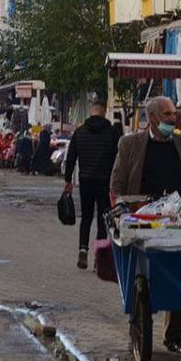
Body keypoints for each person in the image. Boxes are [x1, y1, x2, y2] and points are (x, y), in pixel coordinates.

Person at [109, 96, 181, 355]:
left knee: (178, 273)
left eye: (174, 113)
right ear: (153, 118)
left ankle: (175, 336)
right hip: (142, 220)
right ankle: (137, 330)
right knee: (141, 277)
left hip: (178, 221)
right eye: (168, 114)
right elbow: (117, 184)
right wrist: (121, 211)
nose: (174, 118)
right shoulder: (130, 144)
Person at [64, 102, 121, 269]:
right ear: (104, 113)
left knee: (86, 217)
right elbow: (119, 158)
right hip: (105, 180)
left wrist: (68, 180)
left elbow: (71, 157)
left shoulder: (80, 132)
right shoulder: (112, 133)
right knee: (104, 218)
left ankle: (83, 249)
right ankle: (99, 256)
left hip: (85, 180)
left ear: (91, 113)